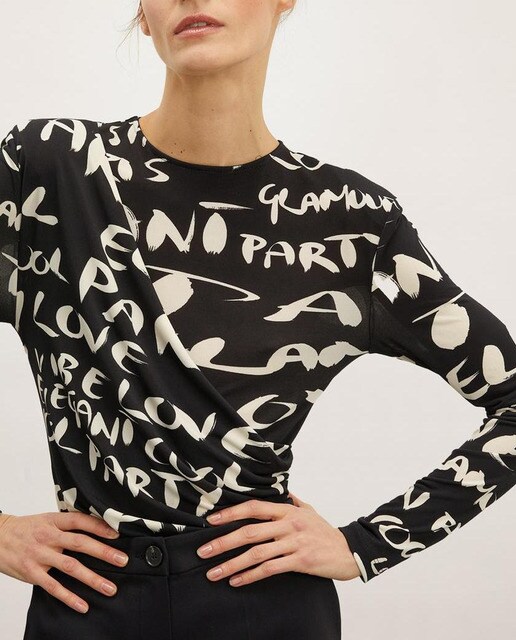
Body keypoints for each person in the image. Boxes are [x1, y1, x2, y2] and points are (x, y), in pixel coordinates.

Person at [0, 1, 515, 638]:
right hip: (87, 604)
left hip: (264, 606)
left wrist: (367, 543)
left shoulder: (351, 221)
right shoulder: (49, 171)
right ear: (143, 14)